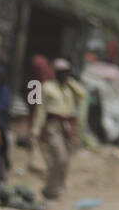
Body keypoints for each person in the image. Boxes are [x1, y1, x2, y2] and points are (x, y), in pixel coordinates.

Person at [32, 57, 91, 200]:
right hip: (53, 127)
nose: (64, 75)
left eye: (67, 72)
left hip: (68, 128)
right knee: (60, 157)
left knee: (65, 160)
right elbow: (41, 109)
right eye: (61, 72)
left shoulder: (70, 89)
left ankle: (58, 187)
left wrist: (70, 82)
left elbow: (83, 94)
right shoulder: (47, 87)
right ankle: (50, 188)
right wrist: (36, 128)